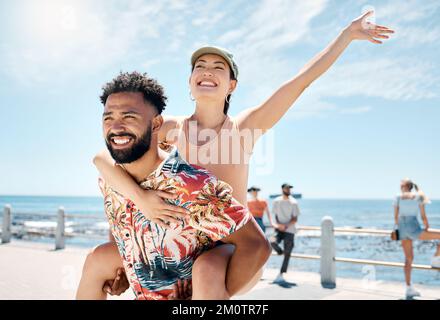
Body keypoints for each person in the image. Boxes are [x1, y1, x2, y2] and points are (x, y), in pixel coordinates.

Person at [86, 10, 394, 297]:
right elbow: (110, 166)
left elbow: (300, 82)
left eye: (218, 67)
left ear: (231, 85)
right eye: (200, 67)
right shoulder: (167, 128)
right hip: (176, 247)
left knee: (206, 268)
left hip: (232, 250)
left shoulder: (244, 128)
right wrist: (132, 231)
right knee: (99, 258)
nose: (207, 71)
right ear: (191, 84)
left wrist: (346, 35)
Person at [76, 72, 271, 300]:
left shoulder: (191, 185)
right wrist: (125, 273)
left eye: (129, 117)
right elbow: (121, 227)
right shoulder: (110, 180)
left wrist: (213, 295)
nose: (116, 127)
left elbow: (256, 245)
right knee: (97, 259)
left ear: (156, 123)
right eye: (108, 118)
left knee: (209, 268)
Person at [393, 178, 440, 299]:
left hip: (402, 227)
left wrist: (398, 228)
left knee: (408, 258)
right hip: (413, 226)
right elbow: (423, 216)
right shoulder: (418, 196)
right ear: (411, 186)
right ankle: (436, 257)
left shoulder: (398, 196)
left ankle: (409, 288)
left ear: (404, 187)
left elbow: (395, 216)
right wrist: (427, 226)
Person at [270, 183, 301, 283]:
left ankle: (281, 273)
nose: (289, 190)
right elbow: (275, 215)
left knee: (288, 253)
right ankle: (279, 252)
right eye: (287, 188)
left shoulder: (294, 202)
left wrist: (286, 226)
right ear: (282, 189)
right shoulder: (276, 201)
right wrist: (279, 225)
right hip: (279, 229)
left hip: (290, 230)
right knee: (272, 241)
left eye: (290, 188)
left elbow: (295, 218)